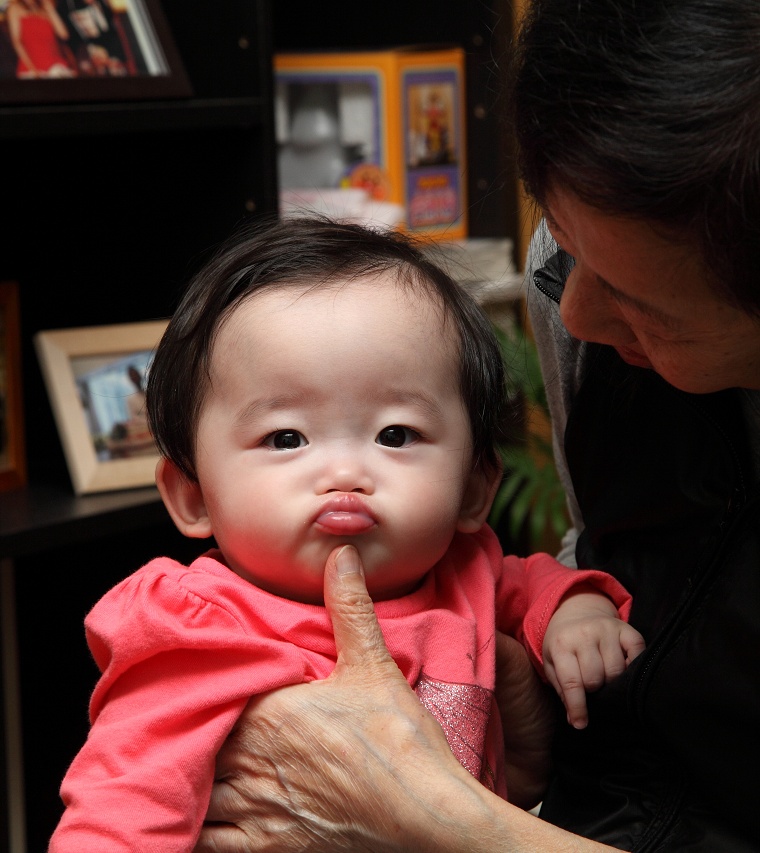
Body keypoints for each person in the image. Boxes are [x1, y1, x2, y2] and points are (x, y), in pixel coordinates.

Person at [188, 1, 760, 852]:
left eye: (647, 308)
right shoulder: (589, 267)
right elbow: (616, 568)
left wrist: (439, 819)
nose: (574, 312)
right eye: (564, 240)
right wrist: (521, 709)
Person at [47, 218, 644, 852]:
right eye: (286, 438)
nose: (344, 471)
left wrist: (577, 614)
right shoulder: (196, 632)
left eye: (395, 435)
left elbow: (540, 584)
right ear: (193, 496)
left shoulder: (470, 572)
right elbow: (119, 810)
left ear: (474, 489)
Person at [6, 0, 74, 79]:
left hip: (55, 66)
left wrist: (49, 7)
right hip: (31, 68)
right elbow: (16, 42)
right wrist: (34, 71)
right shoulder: (14, 8)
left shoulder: (45, 7)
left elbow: (64, 35)